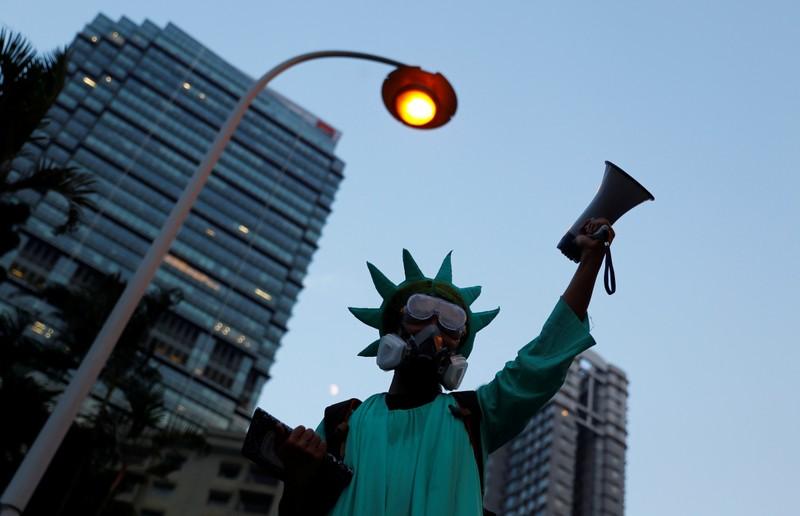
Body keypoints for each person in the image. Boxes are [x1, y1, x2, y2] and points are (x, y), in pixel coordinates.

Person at [278, 218, 615, 516]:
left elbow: (542, 358)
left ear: (460, 344)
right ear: (393, 328)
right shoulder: (342, 421)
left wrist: (590, 260)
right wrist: (297, 478)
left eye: (452, 323)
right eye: (420, 312)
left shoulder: (475, 415)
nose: (434, 330)